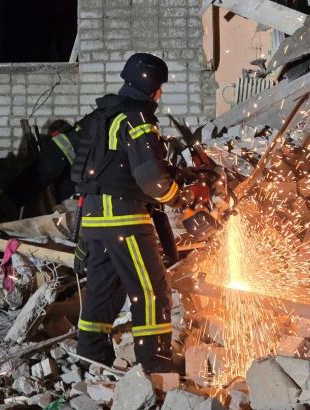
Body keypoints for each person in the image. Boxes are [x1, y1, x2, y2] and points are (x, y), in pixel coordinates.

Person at [71, 53, 193, 372]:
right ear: (149, 84)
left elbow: (100, 168)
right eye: (159, 87)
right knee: (151, 290)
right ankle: (156, 362)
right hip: (124, 217)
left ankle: (90, 356)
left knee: (103, 290)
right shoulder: (137, 118)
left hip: (95, 220)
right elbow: (151, 178)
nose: (160, 94)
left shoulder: (102, 116)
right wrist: (179, 198)